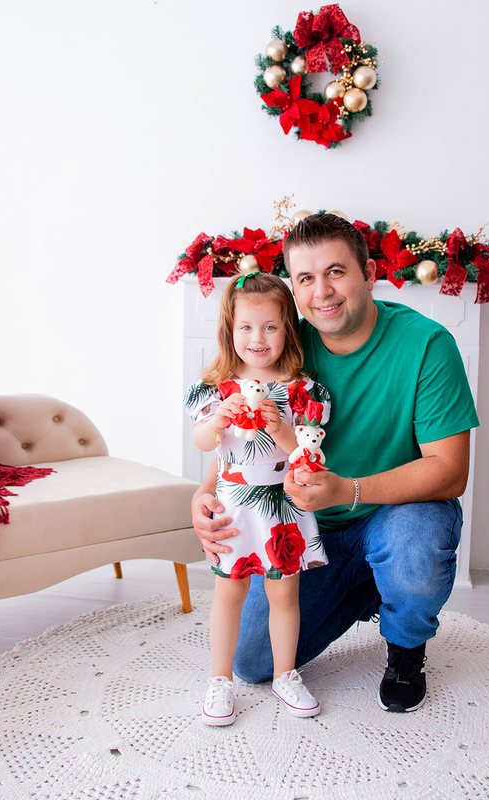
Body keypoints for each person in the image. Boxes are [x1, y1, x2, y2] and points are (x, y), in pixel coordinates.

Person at [190, 213, 477, 713]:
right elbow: (240, 436)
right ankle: (368, 585)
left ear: (369, 275)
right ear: (294, 291)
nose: (322, 291)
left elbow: (450, 472)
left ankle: (406, 644)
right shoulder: (284, 345)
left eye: (336, 272)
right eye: (305, 278)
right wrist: (204, 493)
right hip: (308, 529)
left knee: (414, 543)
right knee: (251, 662)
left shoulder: (428, 345)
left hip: (395, 513)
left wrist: (349, 490)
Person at [185, 271, 333, 726]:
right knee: (228, 594)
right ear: (231, 330)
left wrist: (281, 428)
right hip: (234, 504)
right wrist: (216, 423)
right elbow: (202, 443)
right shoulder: (219, 387)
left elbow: (305, 453)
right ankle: (219, 681)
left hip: (281, 507)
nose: (258, 338)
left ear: (287, 327)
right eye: (246, 327)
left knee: (284, 594)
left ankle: (287, 674)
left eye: (270, 326)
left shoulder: (300, 389)